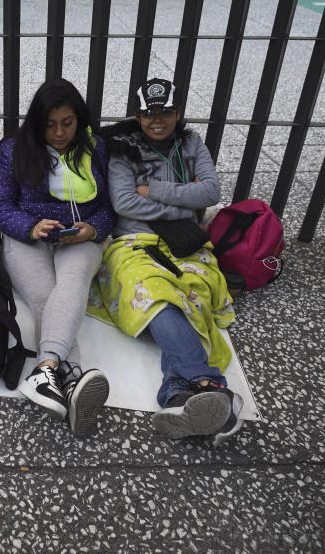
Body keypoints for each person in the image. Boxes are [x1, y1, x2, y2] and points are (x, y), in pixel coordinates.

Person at [87, 78, 243, 445]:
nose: (158, 120)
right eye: (149, 113)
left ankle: (178, 395)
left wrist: (154, 190)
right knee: (155, 293)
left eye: (166, 112)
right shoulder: (121, 148)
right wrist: (183, 205)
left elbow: (211, 191)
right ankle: (211, 387)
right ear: (138, 115)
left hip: (184, 240)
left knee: (193, 290)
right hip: (133, 240)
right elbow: (124, 202)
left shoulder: (191, 143)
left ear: (178, 113)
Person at [0, 79, 115, 436]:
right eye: (49, 124)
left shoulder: (97, 148)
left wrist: (93, 229)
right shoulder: (14, 149)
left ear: (80, 120)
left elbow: (109, 207)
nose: (59, 133)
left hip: (80, 235)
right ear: (36, 122)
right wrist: (30, 226)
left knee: (72, 283)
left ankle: (44, 369)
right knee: (46, 298)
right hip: (28, 236)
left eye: (67, 123)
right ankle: (72, 381)